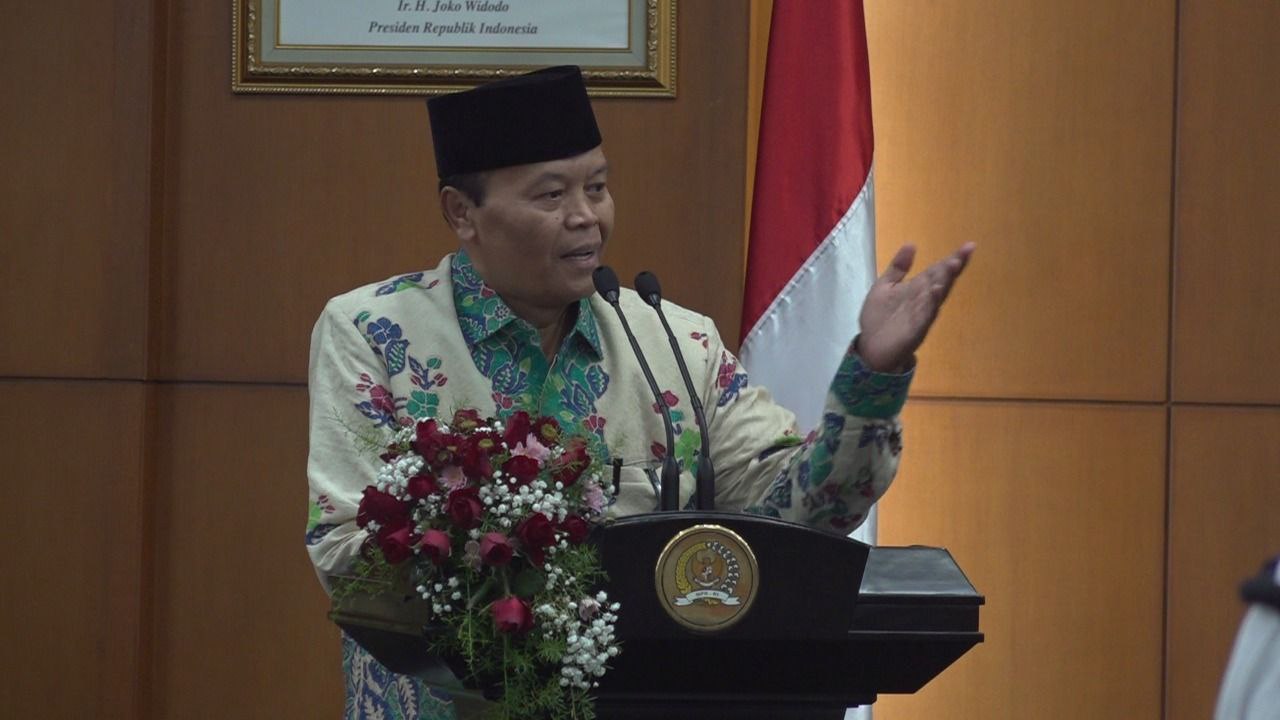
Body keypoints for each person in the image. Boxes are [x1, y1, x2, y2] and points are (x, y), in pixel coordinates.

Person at [305, 65, 973, 719]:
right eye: (551, 196)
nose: (586, 218)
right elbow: (347, 557)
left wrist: (873, 376)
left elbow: (801, 515)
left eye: (597, 188)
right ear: (462, 212)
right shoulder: (376, 333)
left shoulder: (676, 342)